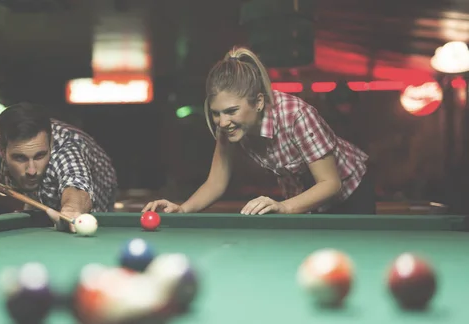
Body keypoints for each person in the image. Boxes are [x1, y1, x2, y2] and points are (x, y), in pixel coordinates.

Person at [142, 47, 375, 215]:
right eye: (216, 112)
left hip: (351, 193)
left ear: (259, 102)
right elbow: (216, 182)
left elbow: (330, 183)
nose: (222, 122)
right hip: (304, 199)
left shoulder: (297, 116)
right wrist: (182, 209)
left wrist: (284, 206)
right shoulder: (229, 127)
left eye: (231, 111)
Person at [0, 97, 118, 231]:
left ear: (51, 144)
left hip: (100, 176)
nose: (31, 170)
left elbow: (76, 183)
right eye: (20, 158)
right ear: (0, 149)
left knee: (79, 224)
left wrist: (72, 210)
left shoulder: (66, 149)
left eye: (40, 156)